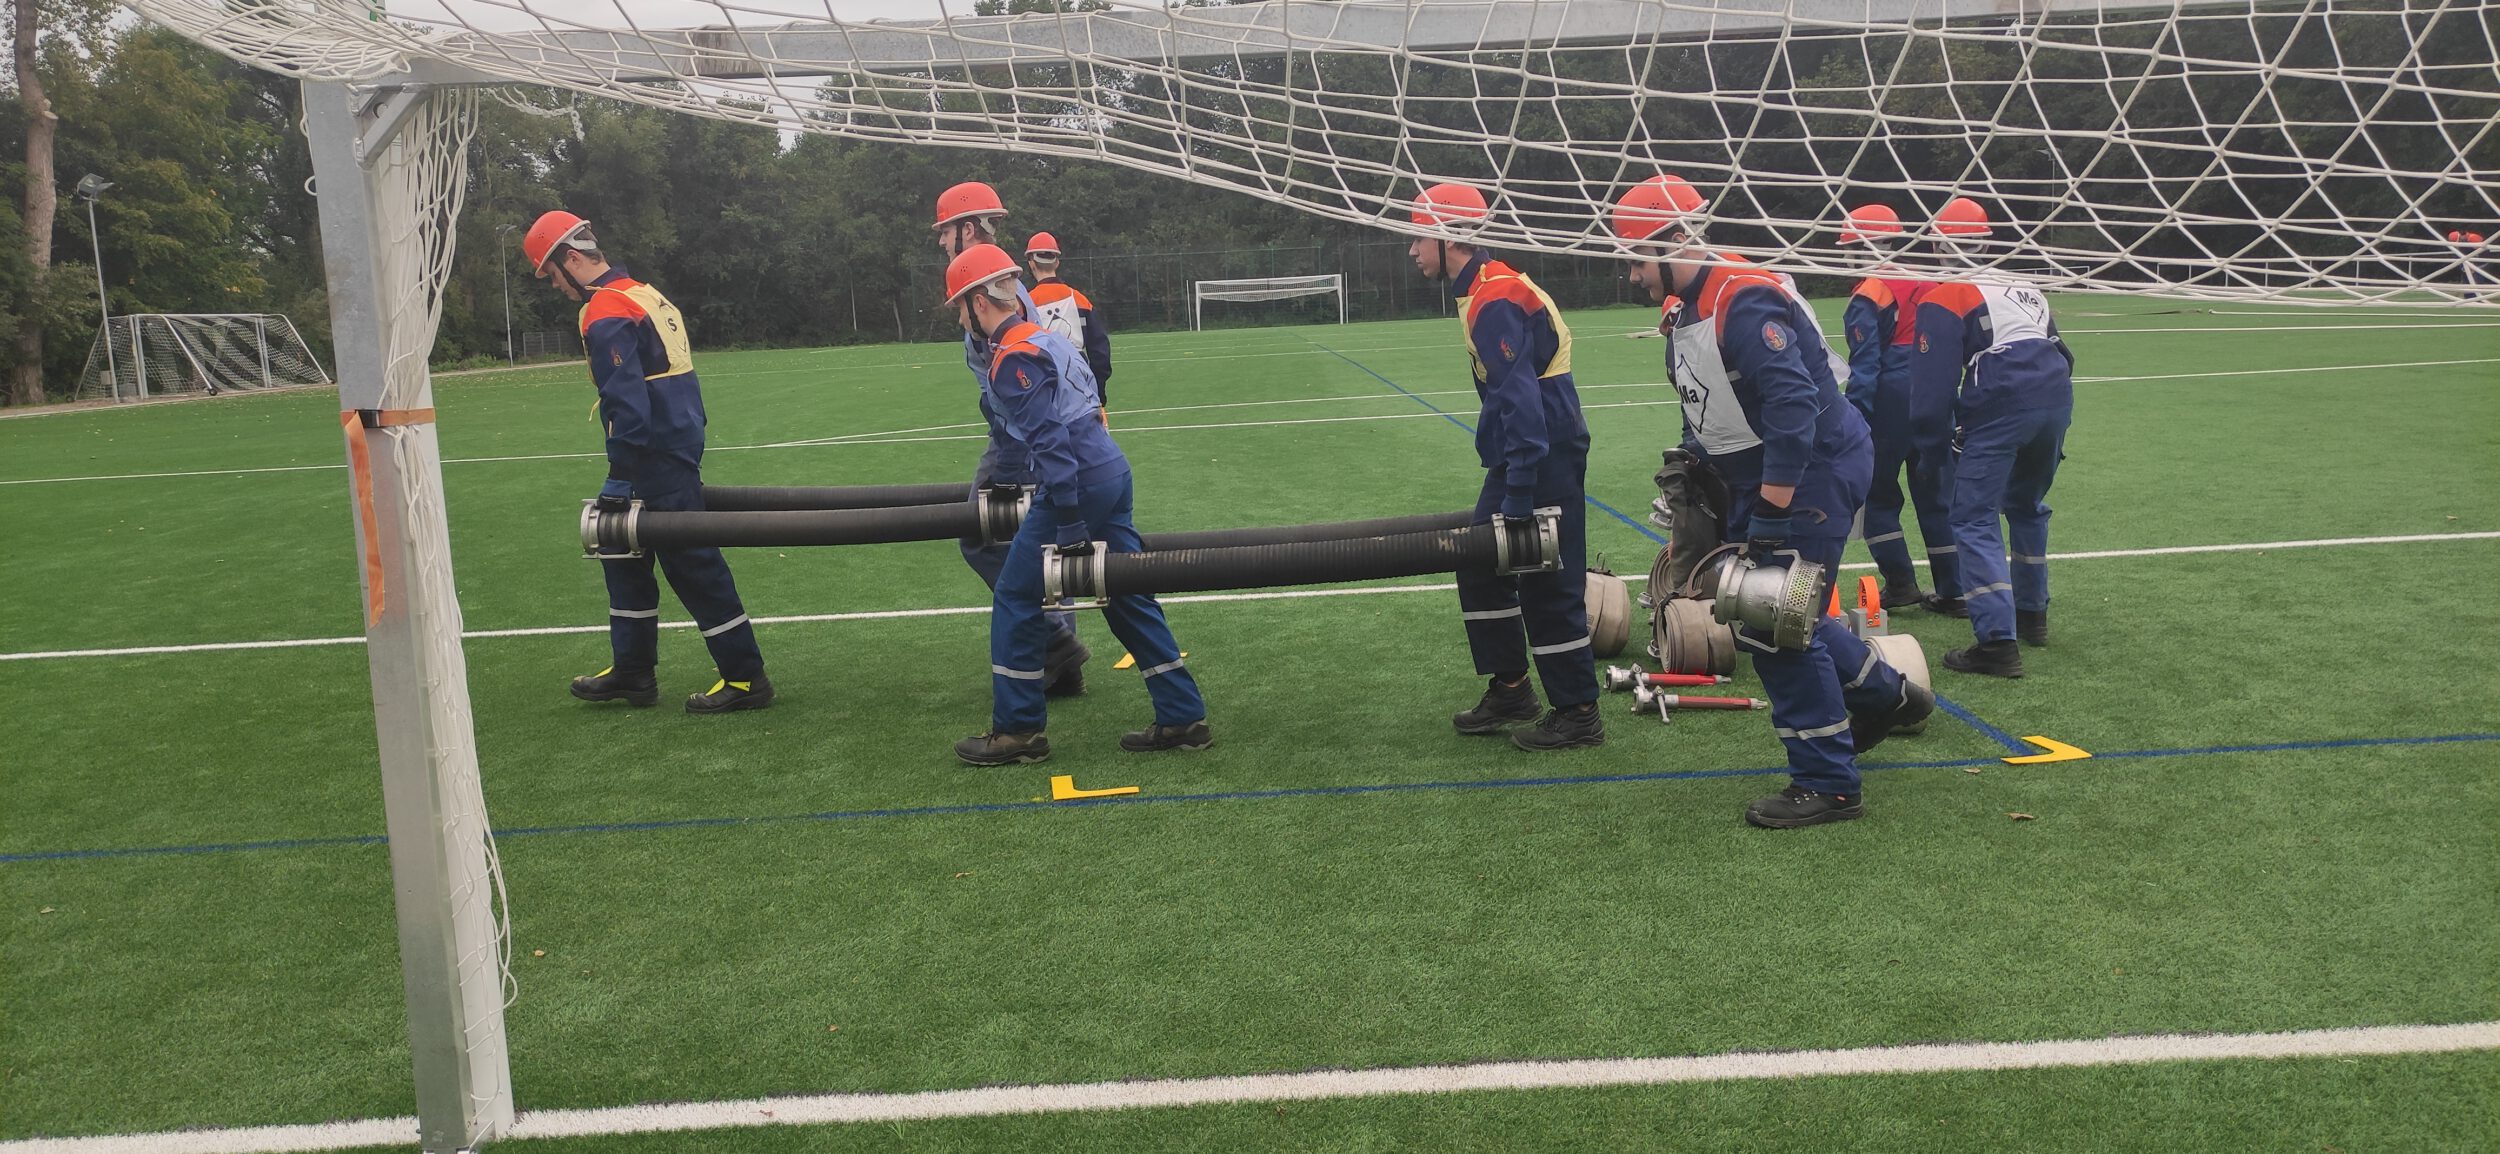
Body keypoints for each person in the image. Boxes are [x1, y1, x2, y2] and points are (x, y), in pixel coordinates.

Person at [1610, 174, 1933, 827]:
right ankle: (1887, 696)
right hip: (1768, 475)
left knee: (1775, 621)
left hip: (1809, 470)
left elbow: (1793, 410)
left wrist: (1772, 512)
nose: (1633, 274)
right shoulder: (1687, 306)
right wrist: (1694, 469)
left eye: (1638, 258)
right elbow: (1705, 403)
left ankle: (1829, 784)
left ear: (1675, 241)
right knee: (1785, 613)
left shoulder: (1744, 298)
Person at [942, 243, 1210, 765]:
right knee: (1126, 592)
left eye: (959, 307)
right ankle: (1183, 715)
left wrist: (1066, 518)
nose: (959, 318)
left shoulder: (1012, 357)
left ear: (979, 302)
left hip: (1078, 480)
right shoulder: (1047, 337)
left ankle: (1018, 731)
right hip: (1111, 469)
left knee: (1016, 596)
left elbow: (1049, 443)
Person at [525, 210, 772, 713]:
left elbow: (627, 399)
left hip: (653, 454)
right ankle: (633, 670)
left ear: (571, 259)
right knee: (622, 551)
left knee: (693, 563)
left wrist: (621, 473)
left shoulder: (605, 309)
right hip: (673, 442)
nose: (555, 286)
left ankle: (746, 678)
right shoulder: (645, 293)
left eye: (552, 274)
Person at [1404, 182, 1604, 751]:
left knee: (1546, 577)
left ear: (1447, 237)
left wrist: (1519, 486)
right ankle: (1512, 687)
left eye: (1417, 237)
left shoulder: (1493, 297)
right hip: (1529, 447)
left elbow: (1521, 399)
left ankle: (1578, 712)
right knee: (1480, 561)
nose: (1412, 250)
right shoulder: (1483, 287)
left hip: (1541, 449)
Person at [932, 183, 1089, 697]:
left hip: (1016, 439)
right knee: (1037, 542)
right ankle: (1061, 661)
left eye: (945, 232)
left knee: (979, 536)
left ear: (967, 229)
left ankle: (1054, 641)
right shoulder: (1002, 278)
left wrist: (1010, 463)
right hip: (1022, 433)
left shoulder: (988, 289)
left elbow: (1015, 384)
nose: (942, 242)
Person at [1908, 198, 2076, 678]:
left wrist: (1932, 453)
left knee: (1974, 518)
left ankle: (1998, 643)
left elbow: (1931, 396)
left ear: (1938, 245)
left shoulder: (1944, 297)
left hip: (2002, 400)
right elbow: (2064, 354)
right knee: (2026, 506)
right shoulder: (2025, 287)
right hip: (2055, 397)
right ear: (1986, 241)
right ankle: (2032, 614)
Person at [1837, 203, 1955, 611]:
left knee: (1876, 494)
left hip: (1891, 398)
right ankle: (1954, 589)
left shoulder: (1869, 294)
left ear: (1866, 246)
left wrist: (1854, 419)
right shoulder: (1930, 282)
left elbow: (1866, 366)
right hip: (1935, 391)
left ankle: (1901, 582)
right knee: (1937, 497)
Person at [1023, 232, 1114, 406]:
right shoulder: (1079, 300)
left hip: (1043, 385)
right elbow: (1100, 351)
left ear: (1031, 263)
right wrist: (1098, 389)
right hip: (1080, 384)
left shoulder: (1026, 304)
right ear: (1057, 262)